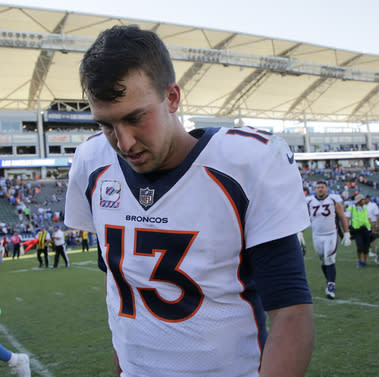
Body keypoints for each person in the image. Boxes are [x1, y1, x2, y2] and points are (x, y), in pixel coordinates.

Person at [64, 25, 314, 377]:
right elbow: (119, 294)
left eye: (135, 117)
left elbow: (291, 311)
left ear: (172, 98)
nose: (124, 142)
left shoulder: (245, 163)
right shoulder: (92, 163)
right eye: (107, 124)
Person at [307, 181, 351, 299]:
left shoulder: (333, 200)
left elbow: (342, 217)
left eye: (322, 187)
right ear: (315, 189)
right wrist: (300, 234)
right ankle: (329, 280)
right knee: (322, 260)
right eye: (318, 187)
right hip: (316, 235)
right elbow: (304, 218)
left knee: (329, 258)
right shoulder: (310, 201)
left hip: (331, 234)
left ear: (327, 189)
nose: (320, 189)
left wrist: (346, 233)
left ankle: (331, 285)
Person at [345, 194, 372, 267]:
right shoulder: (351, 208)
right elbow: (347, 219)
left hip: (366, 229)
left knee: (366, 247)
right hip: (357, 230)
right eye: (363, 199)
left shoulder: (365, 208)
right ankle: (359, 261)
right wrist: (346, 230)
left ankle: (364, 261)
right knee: (359, 246)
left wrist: (372, 228)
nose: (364, 201)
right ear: (359, 201)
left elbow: (368, 218)